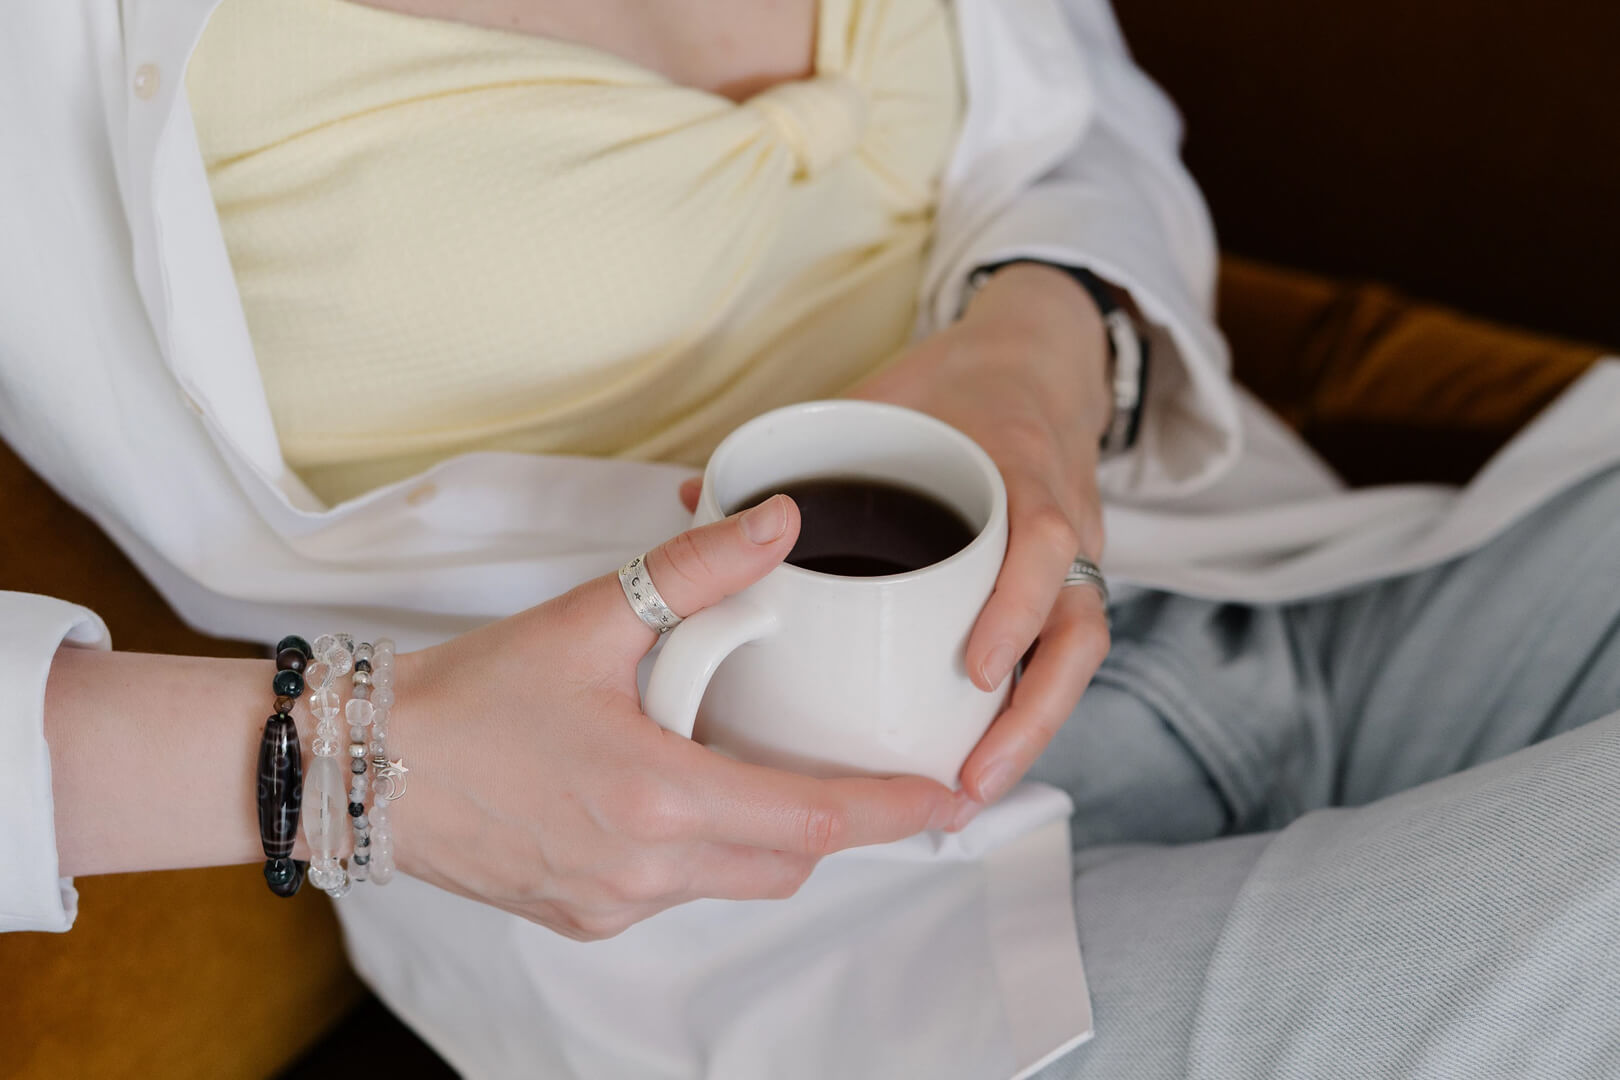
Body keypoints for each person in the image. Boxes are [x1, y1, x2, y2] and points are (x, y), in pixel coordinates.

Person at [3, 0, 1618, 1076]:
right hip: (793, 936)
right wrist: (343, 757)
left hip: (1254, 580)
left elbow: (1072, 117)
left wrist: (1046, 329)